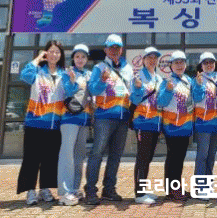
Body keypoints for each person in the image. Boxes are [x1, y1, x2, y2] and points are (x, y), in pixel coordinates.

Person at [84, 34, 133, 205]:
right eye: (111, 47)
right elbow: (93, 89)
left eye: (117, 47)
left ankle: (109, 189)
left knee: (115, 156)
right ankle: (90, 191)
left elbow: (131, 92)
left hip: (122, 118)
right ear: (105, 50)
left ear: (121, 49)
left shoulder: (128, 68)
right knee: (97, 154)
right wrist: (102, 81)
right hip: (104, 117)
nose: (114, 50)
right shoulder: (99, 68)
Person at [17, 40, 66, 205]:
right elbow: (24, 75)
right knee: (31, 159)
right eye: (51, 51)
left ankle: (45, 189)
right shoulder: (37, 72)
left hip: (55, 125)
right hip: (34, 123)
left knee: (50, 159)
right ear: (46, 53)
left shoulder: (64, 74)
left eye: (57, 52)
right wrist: (38, 59)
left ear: (61, 55)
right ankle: (30, 191)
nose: (54, 55)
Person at [192, 51, 217, 190]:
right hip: (203, 122)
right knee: (202, 155)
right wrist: (198, 85)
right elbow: (196, 98)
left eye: (211, 62)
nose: (209, 65)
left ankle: (208, 184)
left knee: (211, 156)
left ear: (215, 64)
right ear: (201, 65)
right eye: (205, 62)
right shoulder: (197, 79)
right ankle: (200, 186)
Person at [57, 43, 92, 206]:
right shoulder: (66, 73)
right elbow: (67, 92)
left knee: (79, 156)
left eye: (83, 56)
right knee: (67, 156)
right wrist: (72, 81)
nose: (80, 59)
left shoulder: (89, 74)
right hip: (69, 119)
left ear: (87, 59)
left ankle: (75, 189)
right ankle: (65, 192)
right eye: (77, 56)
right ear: (73, 58)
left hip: (84, 120)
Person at [157, 50, 194, 201]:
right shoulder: (166, 81)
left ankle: (174, 188)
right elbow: (161, 102)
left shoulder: (189, 81)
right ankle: (172, 189)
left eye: (182, 62)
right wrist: (168, 90)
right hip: (171, 126)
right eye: (176, 62)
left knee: (180, 158)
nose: (179, 65)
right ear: (171, 65)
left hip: (185, 126)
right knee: (173, 158)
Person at [131, 46, 164, 205]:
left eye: (154, 58)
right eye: (149, 57)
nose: (152, 60)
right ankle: (139, 193)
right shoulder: (138, 77)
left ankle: (143, 189)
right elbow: (135, 99)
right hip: (143, 122)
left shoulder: (158, 78)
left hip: (155, 123)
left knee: (148, 157)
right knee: (143, 157)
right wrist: (137, 88)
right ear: (143, 60)